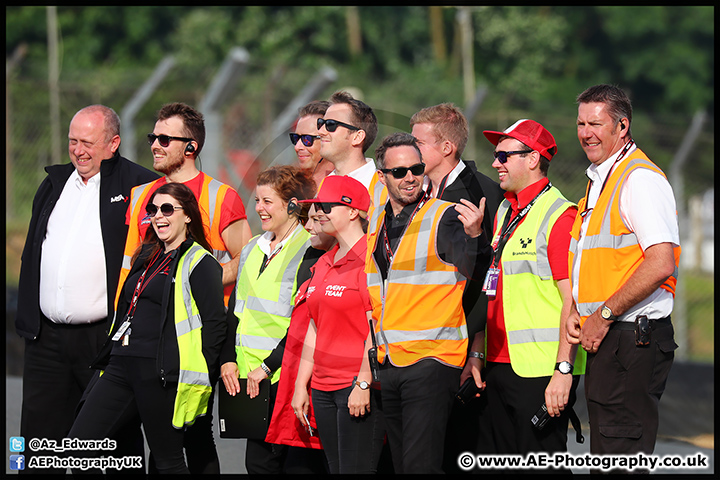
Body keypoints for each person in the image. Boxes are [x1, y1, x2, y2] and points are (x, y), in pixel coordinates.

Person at [15, 104, 158, 474]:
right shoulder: (53, 182)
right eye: (72, 141)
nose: (78, 150)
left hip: (102, 340)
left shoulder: (140, 186)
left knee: (109, 445)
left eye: (88, 142)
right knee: (38, 444)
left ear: (113, 143)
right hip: (45, 340)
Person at [116, 102, 252, 473]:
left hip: (193, 341)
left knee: (193, 434)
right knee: (154, 437)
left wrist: (196, 281)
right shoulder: (142, 195)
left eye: (163, 138)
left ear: (190, 147)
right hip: (141, 337)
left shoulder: (221, 197)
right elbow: (131, 266)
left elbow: (248, 259)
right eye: (152, 137)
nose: (154, 145)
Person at [67, 182, 226, 474]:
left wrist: (198, 374)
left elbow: (216, 324)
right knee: (79, 446)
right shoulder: (147, 256)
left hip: (160, 371)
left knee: (167, 459)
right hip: (120, 364)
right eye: (153, 209)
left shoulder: (200, 261)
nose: (158, 216)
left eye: (167, 209)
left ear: (188, 215)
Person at [567, 84, 681, 464]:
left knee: (620, 458)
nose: (586, 133)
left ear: (622, 126)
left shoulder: (639, 179)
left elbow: (661, 261)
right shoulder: (601, 178)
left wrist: (602, 314)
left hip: (629, 338)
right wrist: (578, 312)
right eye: (581, 123)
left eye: (596, 124)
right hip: (611, 335)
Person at [366, 132, 492, 473]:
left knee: (421, 464)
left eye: (417, 168)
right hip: (390, 359)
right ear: (382, 177)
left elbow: (474, 271)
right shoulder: (377, 222)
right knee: (402, 463)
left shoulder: (445, 216)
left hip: (432, 360)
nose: (410, 177)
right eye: (400, 171)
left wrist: (476, 237)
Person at [460, 119, 584, 463]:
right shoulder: (505, 210)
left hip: (539, 371)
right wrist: (478, 353)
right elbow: (494, 290)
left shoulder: (559, 215)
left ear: (533, 159)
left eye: (504, 156)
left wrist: (563, 371)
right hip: (498, 365)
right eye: (495, 156)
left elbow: (571, 302)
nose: (496, 163)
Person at [409, 103, 504, 470]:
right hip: (415, 338)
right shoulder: (412, 191)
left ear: (446, 148)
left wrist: (475, 350)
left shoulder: (484, 193)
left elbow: (486, 277)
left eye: (419, 142)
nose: (410, 149)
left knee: (460, 449)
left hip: (461, 341)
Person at [220, 165, 316, 474]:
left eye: (267, 201)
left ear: (291, 205)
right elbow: (236, 311)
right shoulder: (252, 248)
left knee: (290, 465)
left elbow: (302, 323)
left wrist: (267, 366)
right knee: (258, 464)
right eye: (257, 200)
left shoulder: (308, 250)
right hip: (251, 379)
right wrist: (227, 360)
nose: (259, 208)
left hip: (283, 376)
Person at [292, 175, 386, 473]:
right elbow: (314, 326)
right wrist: (300, 385)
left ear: (352, 211)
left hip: (354, 385)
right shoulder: (324, 261)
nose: (317, 212)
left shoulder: (371, 258)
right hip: (322, 388)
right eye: (316, 206)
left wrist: (363, 382)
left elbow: (376, 326)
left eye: (326, 206)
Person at [264, 204, 335, 474]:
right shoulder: (311, 258)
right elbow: (305, 328)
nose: (307, 226)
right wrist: (298, 385)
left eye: (317, 219)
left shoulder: (359, 263)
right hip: (300, 379)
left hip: (337, 385)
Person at [318, 90, 378, 189]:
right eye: (320, 123)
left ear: (357, 137)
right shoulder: (324, 187)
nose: (320, 131)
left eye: (330, 124)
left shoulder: (384, 188)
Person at [291, 100, 335, 186]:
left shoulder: (353, 185)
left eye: (307, 139)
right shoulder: (288, 187)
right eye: (296, 138)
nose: (297, 147)